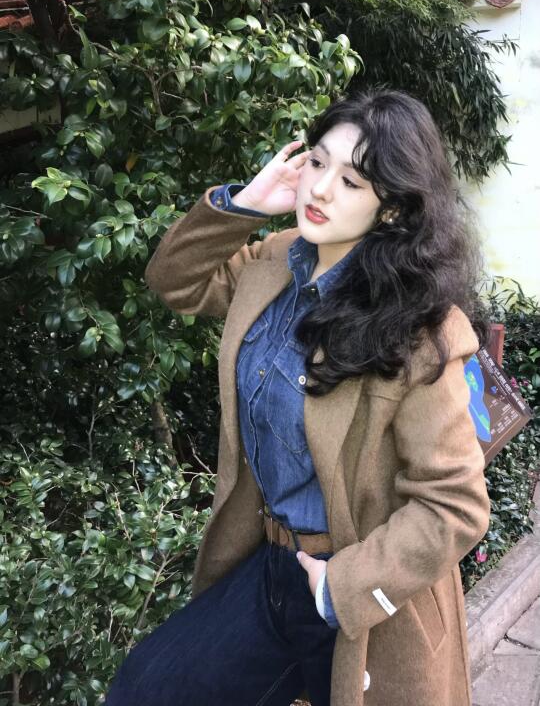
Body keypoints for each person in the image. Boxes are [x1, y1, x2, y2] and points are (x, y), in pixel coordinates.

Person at [104, 87, 491, 706]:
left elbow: (455, 505)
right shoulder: (275, 261)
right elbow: (174, 281)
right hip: (272, 566)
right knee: (144, 688)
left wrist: (341, 587)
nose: (321, 189)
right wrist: (245, 206)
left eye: (352, 181)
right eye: (317, 162)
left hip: (360, 593)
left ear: (392, 209)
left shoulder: (419, 330)